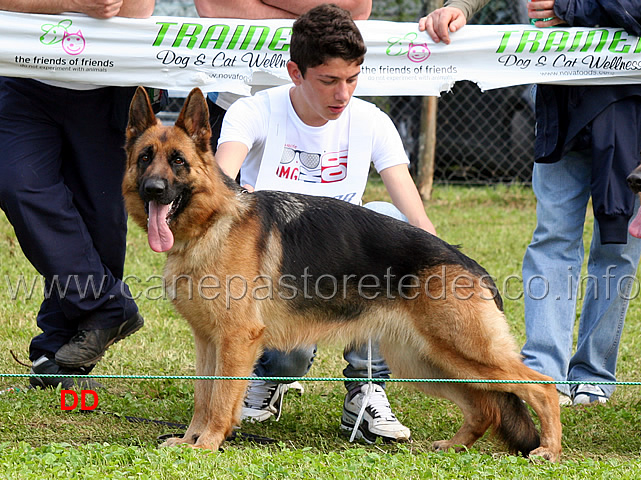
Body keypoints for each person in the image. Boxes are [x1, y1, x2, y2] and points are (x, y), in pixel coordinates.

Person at [214, 3, 436, 443]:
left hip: (348, 267)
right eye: (329, 81)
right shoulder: (253, 111)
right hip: (279, 273)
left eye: (353, 79)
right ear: (296, 72)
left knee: (389, 222)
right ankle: (268, 380)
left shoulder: (373, 121)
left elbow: (416, 219)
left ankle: (366, 390)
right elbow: (220, 191)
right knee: (289, 359)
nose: (343, 94)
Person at [420, 0, 641, 406]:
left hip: (630, 108)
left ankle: (594, 375)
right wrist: (460, 7)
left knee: (619, 246)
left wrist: (570, 8)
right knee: (552, 238)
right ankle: (545, 372)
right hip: (559, 102)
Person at [0, 0, 155, 389]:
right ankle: (108, 306)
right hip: (24, 77)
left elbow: (139, 9)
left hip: (111, 81)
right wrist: (72, 4)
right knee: (18, 183)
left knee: (100, 219)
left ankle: (56, 351)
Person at [193, 0, 372, 151]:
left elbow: (358, 6)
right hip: (233, 103)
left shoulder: (373, 122)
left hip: (319, 117)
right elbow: (211, 6)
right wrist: (312, 26)